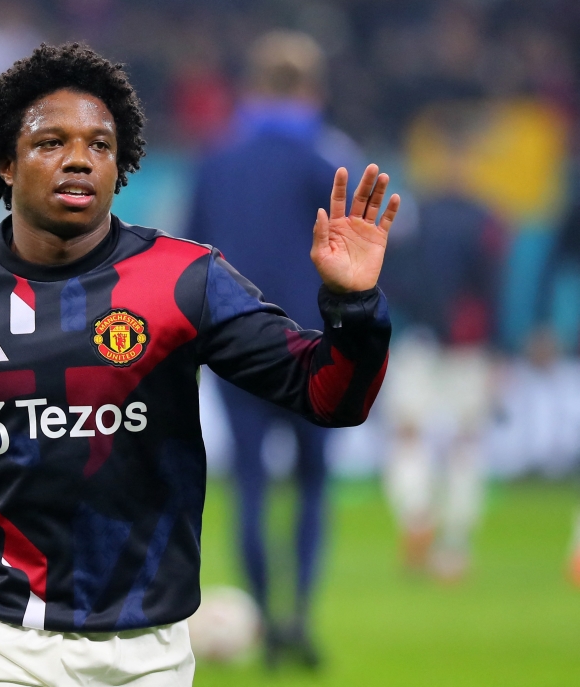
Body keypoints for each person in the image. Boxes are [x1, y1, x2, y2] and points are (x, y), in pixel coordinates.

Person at [0, 43, 397, 687]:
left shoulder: (187, 280)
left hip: (147, 648)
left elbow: (328, 397)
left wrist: (353, 306)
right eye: (51, 142)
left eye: (100, 144)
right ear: (5, 164)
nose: (79, 157)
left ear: (121, 165)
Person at [185, 31, 350, 667]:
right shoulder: (330, 159)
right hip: (317, 344)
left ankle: (260, 622)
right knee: (312, 484)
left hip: (239, 344)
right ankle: (299, 617)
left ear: (253, 86)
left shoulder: (218, 159)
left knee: (250, 484)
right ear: (312, 89)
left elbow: (192, 255)